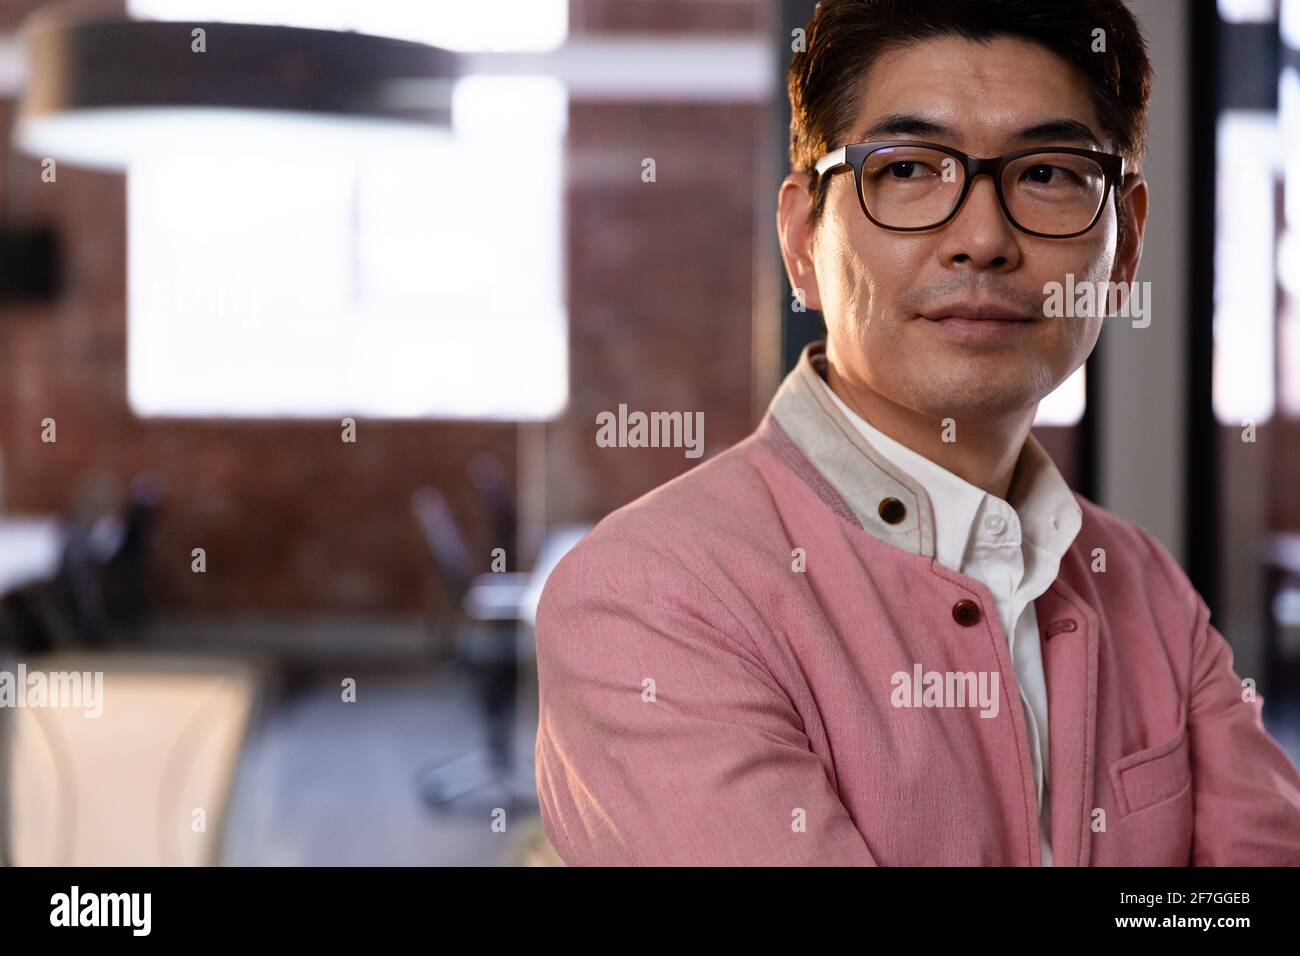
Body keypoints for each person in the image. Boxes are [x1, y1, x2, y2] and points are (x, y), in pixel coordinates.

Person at [533, 0, 1300, 865]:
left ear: (1122, 256)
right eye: (906, 170)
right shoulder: (650, 597)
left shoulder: (1146, 586)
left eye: (1047, 174)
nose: (981, 238)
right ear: (800, 241)